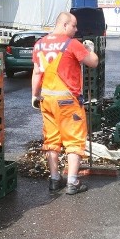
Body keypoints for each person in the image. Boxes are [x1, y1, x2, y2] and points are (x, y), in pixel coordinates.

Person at [31, 11, 99, 195]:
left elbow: (37, 72)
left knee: (52, 140)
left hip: (47, 100)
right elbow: (93, 62)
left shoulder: (39, 45)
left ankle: (54, 179)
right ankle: (72, 182)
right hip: (68, 102)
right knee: (74, 140)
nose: (76, 29)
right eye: (74, 26)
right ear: (64, 25)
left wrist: (34, 95)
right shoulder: (72, 44)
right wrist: (90, 49)